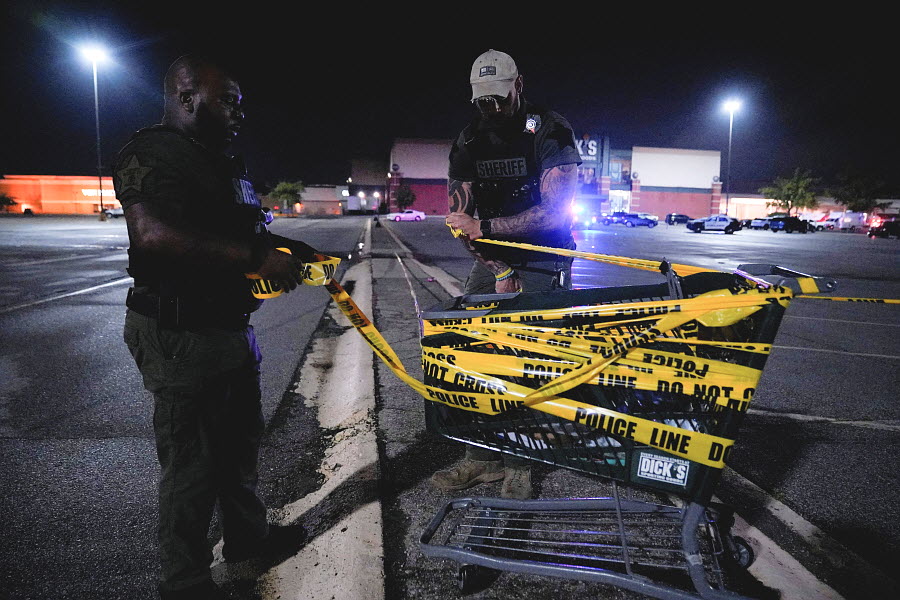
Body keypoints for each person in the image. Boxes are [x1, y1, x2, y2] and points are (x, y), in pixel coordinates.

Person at [114, 54, 312, 600]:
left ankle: (248, 538)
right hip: (182, 332)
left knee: (239, 447)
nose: (239, 113)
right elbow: (153, 235)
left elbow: (245, 231)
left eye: (240, 103)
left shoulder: (220, 162)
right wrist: (254, 258)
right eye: (227, 101)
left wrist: (292, 251)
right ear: (186, 98)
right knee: (192, 464)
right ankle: (185, 582)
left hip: (227, 328)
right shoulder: (153, 153)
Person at [433, 49, 582, 500]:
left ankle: (521, 462)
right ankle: (481, 456)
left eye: (499, 98)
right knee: (470, 352)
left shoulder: (551, 129)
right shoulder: (468, 140)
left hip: (544, 257)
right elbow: (461, 220)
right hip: (492, 258)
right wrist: (498, 266)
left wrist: (490, 229)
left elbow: (557, 211)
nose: (492, 108)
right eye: (483, 100)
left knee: (528, 360)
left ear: (518, 85)